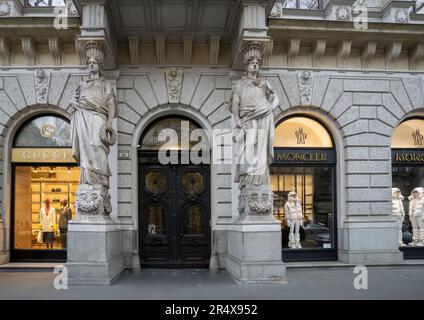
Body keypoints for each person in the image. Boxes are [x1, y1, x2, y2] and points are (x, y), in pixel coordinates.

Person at [230, 41, 279, 189]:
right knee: (248, 148)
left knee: (261, 149)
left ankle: (260, 180)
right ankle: (248, 179)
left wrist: (271, 108)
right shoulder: (240, 84)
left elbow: (276, 97)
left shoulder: (264, 82)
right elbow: (235, 103)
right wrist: (237, 119)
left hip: (263, 115)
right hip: (247, 119)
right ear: (247, 65)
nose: (255, 64)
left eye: (257, 62)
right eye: (252, 62)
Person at [69, 54, 118, 189]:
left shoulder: (105, 84)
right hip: (83, 115)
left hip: (98, 116)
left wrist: (109, 122)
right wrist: (73, 103)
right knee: (85, 149)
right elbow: (73, 99)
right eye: (89, 62)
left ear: (99, 65)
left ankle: (101, 177)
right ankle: (88, 180)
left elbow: (111, 102)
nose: (91, 64)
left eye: (94, 62)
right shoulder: (82, 84)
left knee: (97, 145)